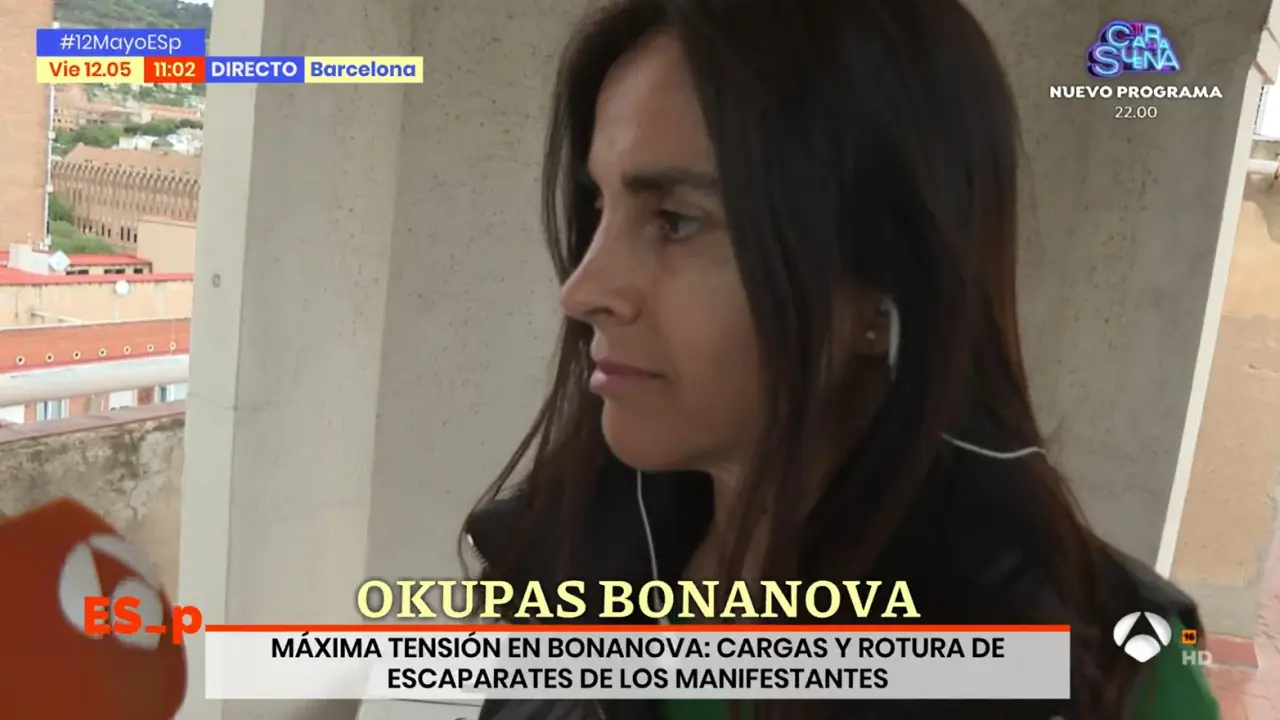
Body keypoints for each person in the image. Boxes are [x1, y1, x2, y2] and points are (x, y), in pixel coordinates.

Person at [463, 0, 1222, 718]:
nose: (583, 290)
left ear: (882, 289)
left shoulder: (1105, 675)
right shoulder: (561, 569)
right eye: (599, 209)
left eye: (676, 221)